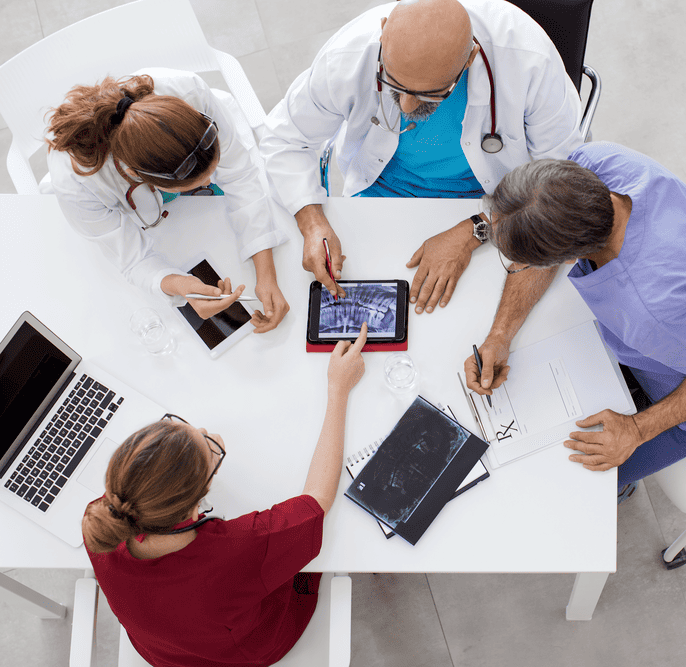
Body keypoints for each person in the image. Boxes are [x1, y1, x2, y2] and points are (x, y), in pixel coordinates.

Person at [464, 143, 686, 499]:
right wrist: (501, 334)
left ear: (567, 259)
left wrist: (635, 430)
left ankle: (621, 487)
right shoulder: (594, 164)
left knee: (574, 487)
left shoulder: (650, 306)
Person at [260, 0, 583, 314]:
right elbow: (284, 140)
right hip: (378, 193)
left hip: (497, 202)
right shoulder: (347, 56)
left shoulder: (529, 60)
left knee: (470, 315)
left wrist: (476, 229)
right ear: (383, 33)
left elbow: (558, 182)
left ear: (469, 58)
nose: (406, 107)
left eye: (431, 95)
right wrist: (312, 222)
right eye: (394, 85)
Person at [81, 325, 367, 667]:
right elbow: (317, 499)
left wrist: (198, 459)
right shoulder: (240, 549)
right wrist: (338, 389)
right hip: (244, 653)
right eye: (210, 448)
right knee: (327, 556)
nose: (207, 432)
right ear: (194, 502)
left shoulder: (100, 518)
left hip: (165, 654)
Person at [47, 68, 290, 332]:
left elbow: (239, 176)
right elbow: (133, 260)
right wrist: (183, 286)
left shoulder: (189, 94)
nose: (211, 183)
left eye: (210, 173)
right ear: (134, 176)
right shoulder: (76, 184)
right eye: (200, 183)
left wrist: (266, 275)